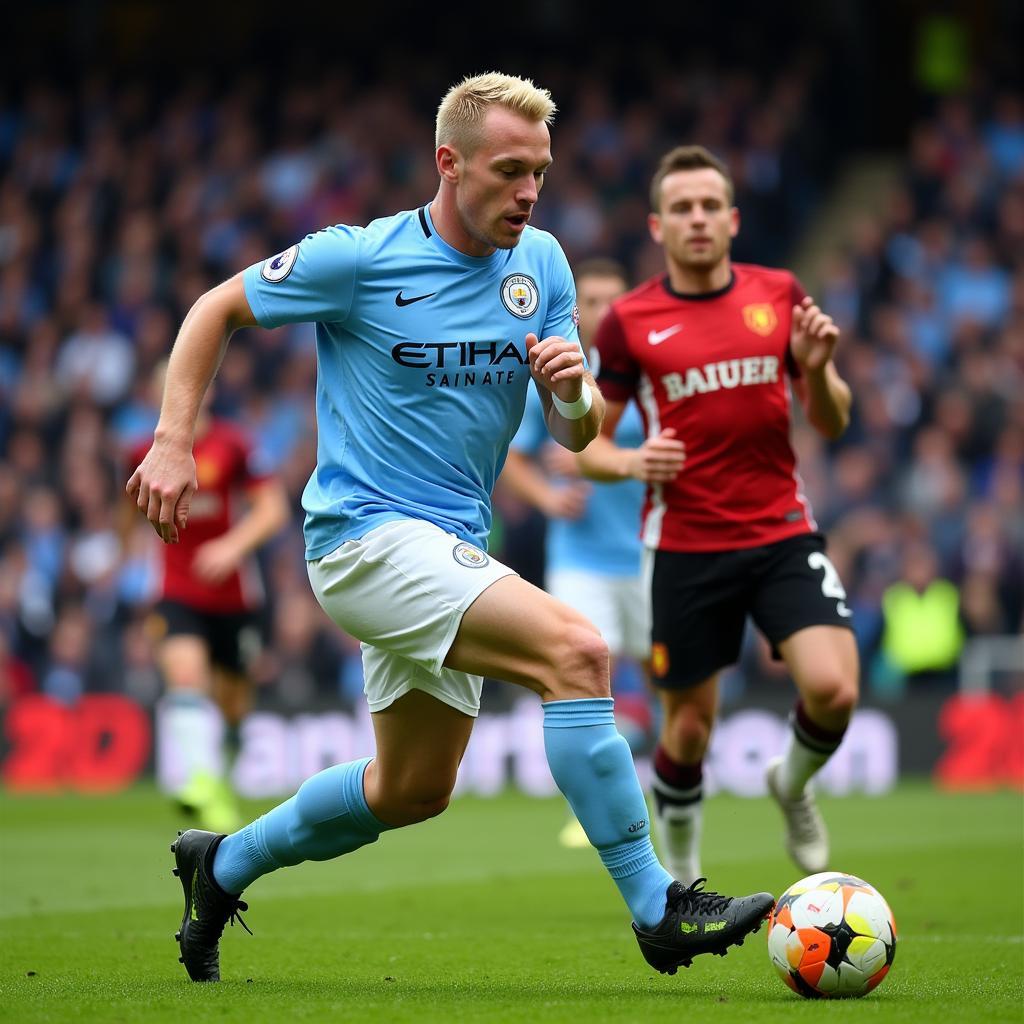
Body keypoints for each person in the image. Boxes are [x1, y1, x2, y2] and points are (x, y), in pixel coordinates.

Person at [128, 74, 772, 984]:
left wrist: (573, 393)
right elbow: (215, 310)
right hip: (362, 537)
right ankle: (658, 907)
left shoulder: (541, 264)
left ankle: (219, 864)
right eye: (509, 171)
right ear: (449, 163)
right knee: (578, 654)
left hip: (452, 543)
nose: (527, 193)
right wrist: (172, 440)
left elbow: (574, 434)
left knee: (411, 789)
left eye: (539, 173)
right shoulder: (357, 259)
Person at [585, 145, 858, 884]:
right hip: (684, 547)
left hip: (779, 531)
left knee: (835, 689)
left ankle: (791, 782)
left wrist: (822, 368)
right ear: (657, 225)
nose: (697, 219)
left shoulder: (779, 293)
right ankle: (682, 877)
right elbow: (589, 449)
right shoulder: (631, 321)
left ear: (734, 220)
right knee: (689, 728)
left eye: (710, 206)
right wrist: (633, 463)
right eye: (682, 208)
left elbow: (830, 421)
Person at [499, 258, 674, 847]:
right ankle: (596, 807)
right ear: (577, 311)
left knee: (670, 682)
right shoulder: (556, 371)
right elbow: (516, 457)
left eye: (611, 301)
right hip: (581, 559)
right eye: (590, 302)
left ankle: (673, 790)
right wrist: (548, 499)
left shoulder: (653, 374)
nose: (601, 312)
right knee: (580, 675)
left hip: (652, 552)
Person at [128, 367, 289, 833]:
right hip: (176, 592)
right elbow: (127, 511)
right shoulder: (141, 454)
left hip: (235, 597)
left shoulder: (234, 444)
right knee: (185, 676)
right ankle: (201, 783)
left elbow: (273, 509)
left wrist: (231, 547)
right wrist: (120, 561)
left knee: (233, 702)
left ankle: (217, 771)